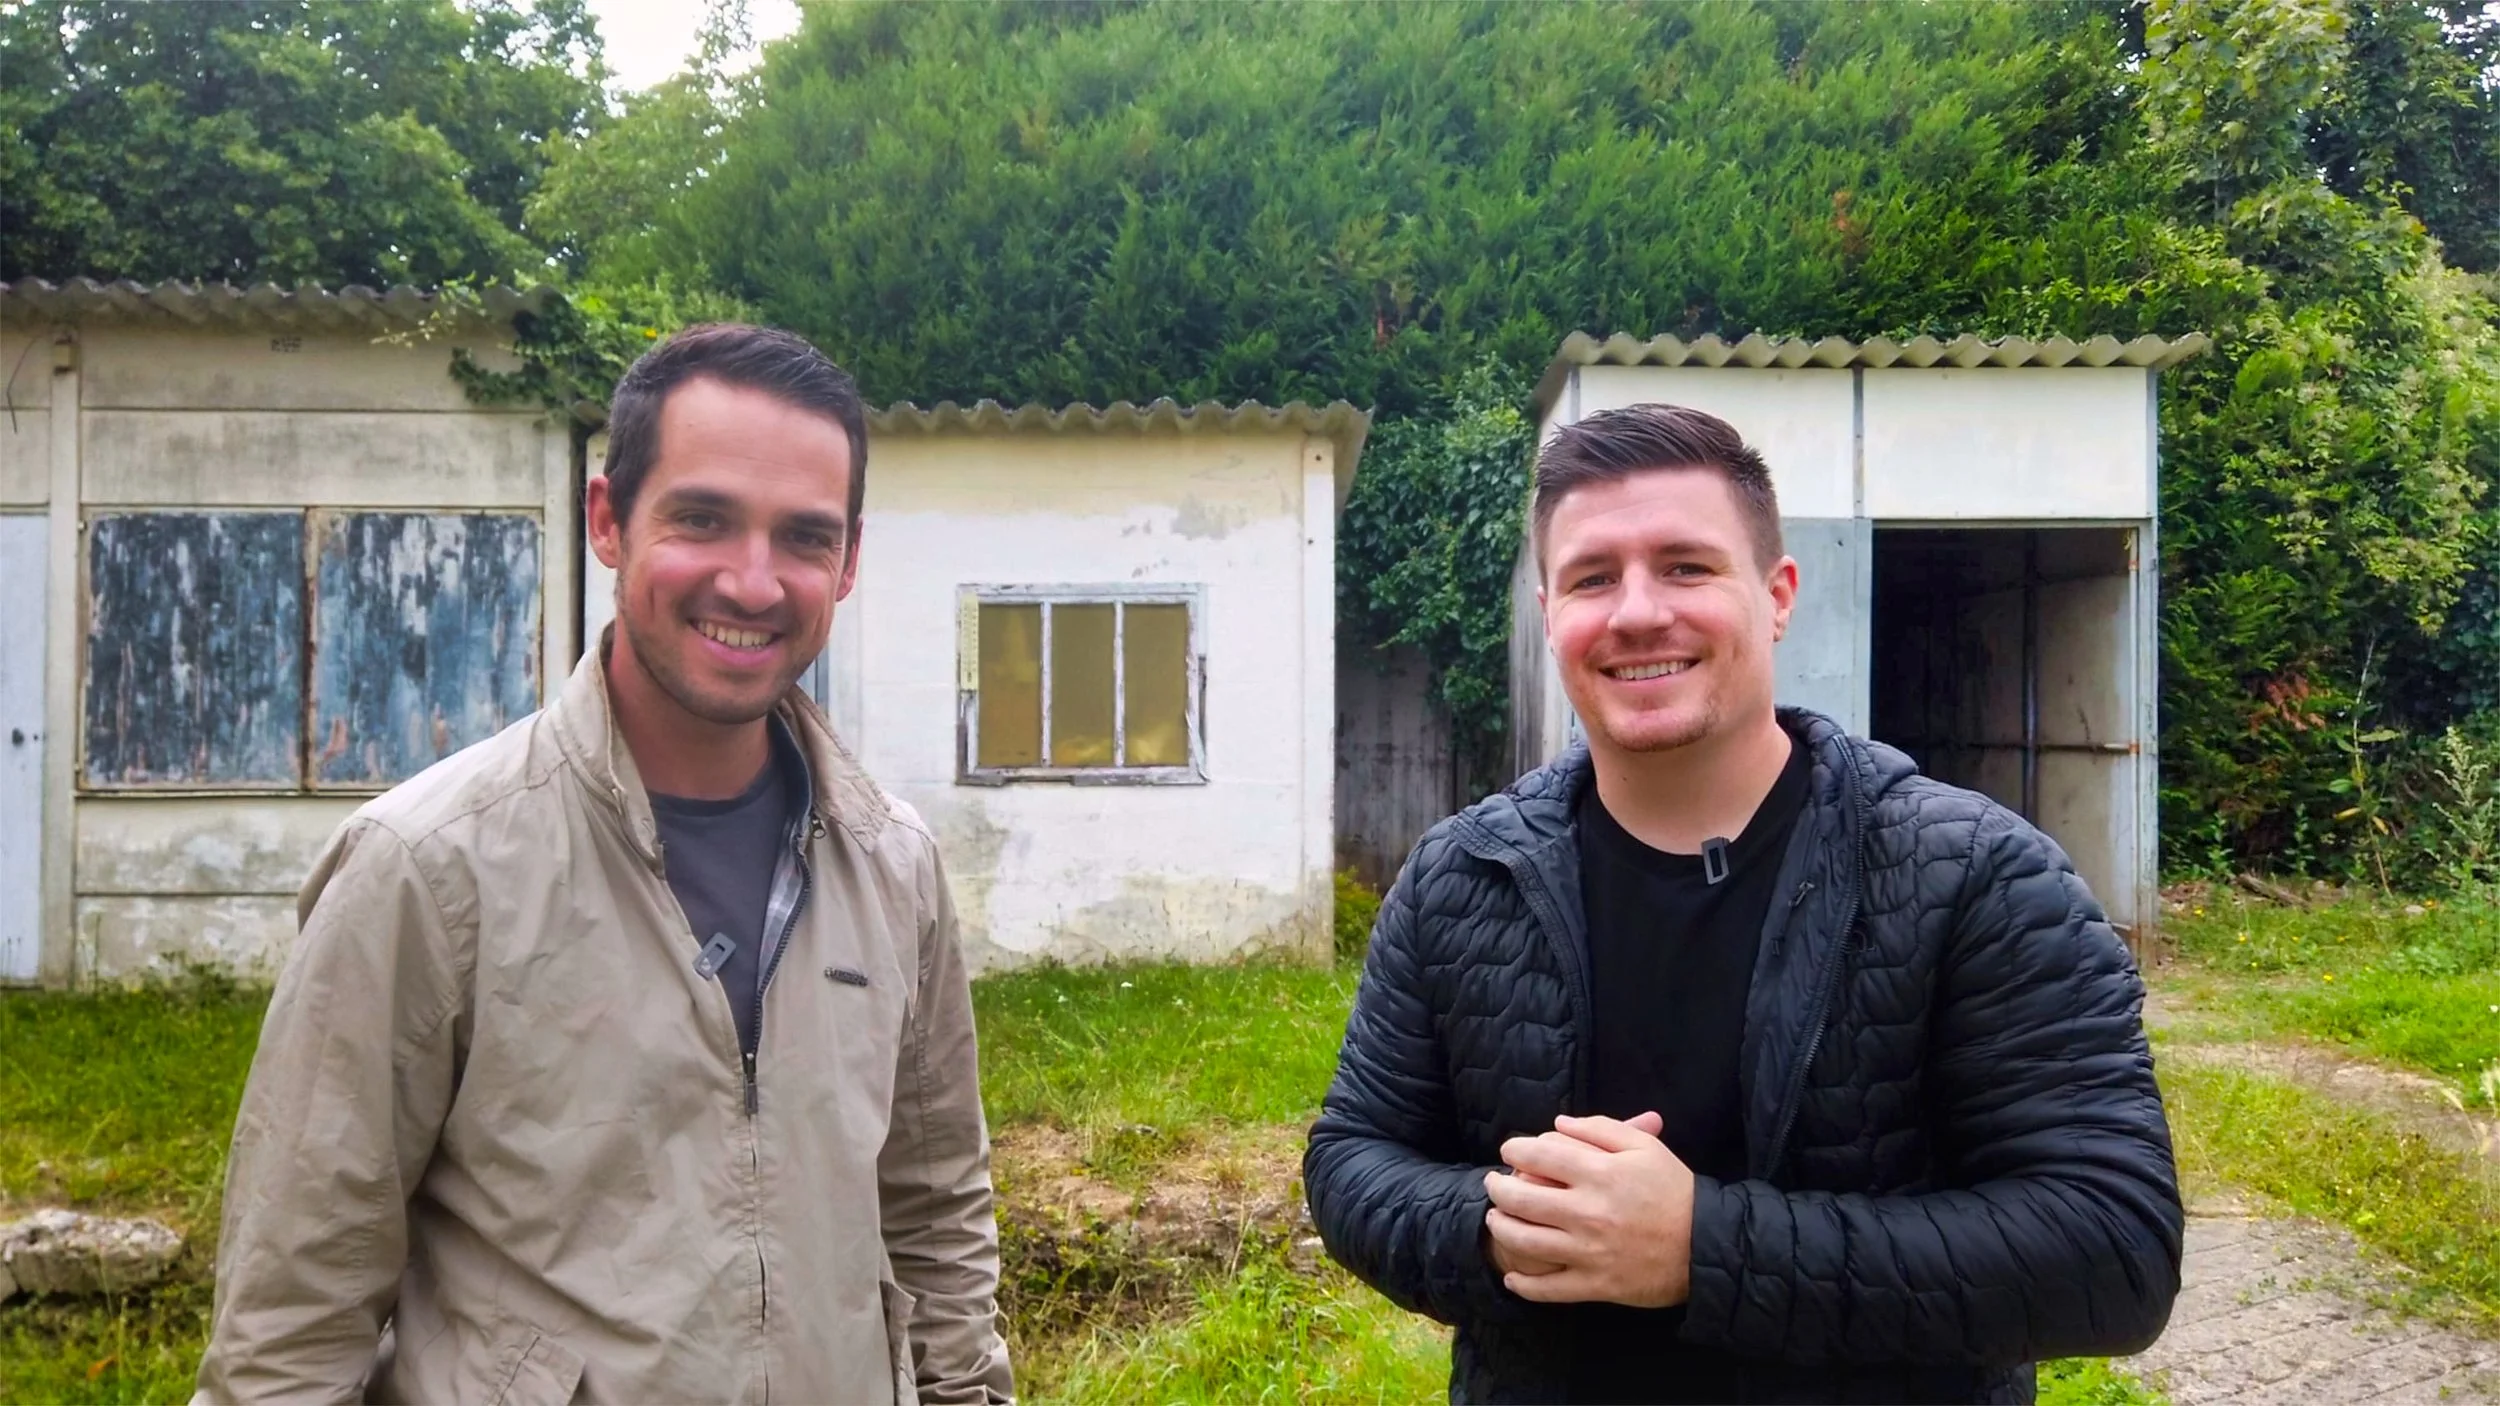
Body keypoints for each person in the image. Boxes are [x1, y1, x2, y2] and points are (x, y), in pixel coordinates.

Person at [194, 324, 1013, 1405]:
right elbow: (290, 1323)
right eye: (703, 518)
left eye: (804, 537)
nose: (753, 582)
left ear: (849, 561)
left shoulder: (893, 864)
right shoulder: (426, 867)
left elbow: (935, 1212)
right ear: (607, 521)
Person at [1304, 403, 2181, 1404]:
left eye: (1686, 566)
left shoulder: (1976, 876)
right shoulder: (1460, 877)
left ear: (1776, 596)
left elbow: (2114, 1247)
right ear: (1549, 613)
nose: (1637, 612)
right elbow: (1352, 1158)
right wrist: (1504, 1225)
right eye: (1593, 577)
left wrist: (1701, 1246)